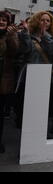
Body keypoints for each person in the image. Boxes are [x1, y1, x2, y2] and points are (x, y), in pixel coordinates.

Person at [16, 11, 53, 136]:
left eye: (48, 21)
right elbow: (25, 50)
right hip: (30, 76)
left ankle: (42, 135)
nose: (45, 23)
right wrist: (25, 34)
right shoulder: (27, 34)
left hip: (47, 77)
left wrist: (45, 35)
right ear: (37, 21)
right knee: (29, 107)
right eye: (42, 20)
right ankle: (27, 136)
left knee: (44, 107)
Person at [0, 11, 19, 153]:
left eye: (4, 20)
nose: (1, 22)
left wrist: (10, 35)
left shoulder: (11, 35)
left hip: (3, 80)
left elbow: (13, 51)